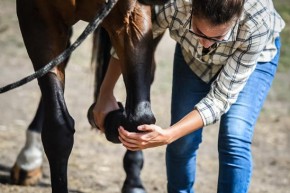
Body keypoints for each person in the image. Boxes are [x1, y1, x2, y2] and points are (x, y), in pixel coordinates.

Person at [92, 0, 285, 192]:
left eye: (217, 36)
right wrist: (105, 92)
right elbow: (134, 41)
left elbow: (219, 99)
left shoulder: (257, 23)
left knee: (234, 137)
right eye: (199, 32)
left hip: (255, 61)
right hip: (192, 59)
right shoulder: (175, 5)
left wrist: (168, 135)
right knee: (182, 143)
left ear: (235, 20)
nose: (207, 44)